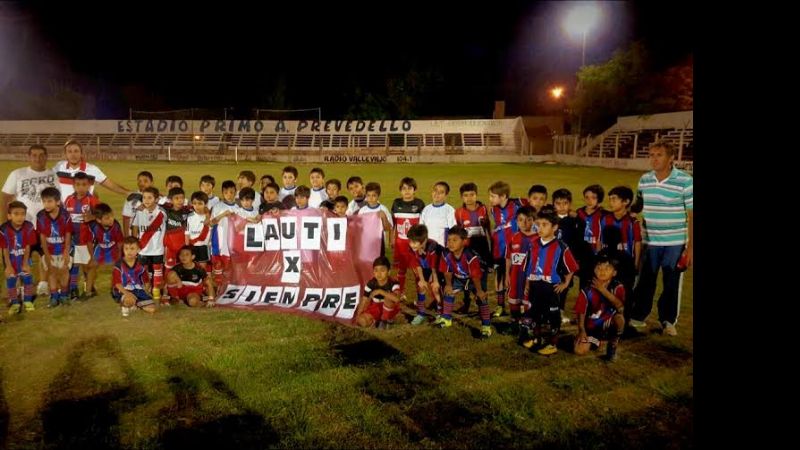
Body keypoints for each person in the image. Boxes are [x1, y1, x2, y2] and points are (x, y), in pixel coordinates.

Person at [629, 141, 693, 337]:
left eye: (659, 155)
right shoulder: (645, 180)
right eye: (651, 154)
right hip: (649, 241)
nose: (654, 159)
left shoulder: (685, 180)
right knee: (645, 280)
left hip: (674, 242)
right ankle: (638, 316)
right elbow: (638, 205)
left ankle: (668, 320)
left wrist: (690, 249)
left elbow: (692, 215)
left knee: (671, 282)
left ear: (671, 157)